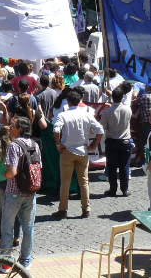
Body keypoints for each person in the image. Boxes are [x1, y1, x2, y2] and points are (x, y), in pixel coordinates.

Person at [51, 89, 103, 219]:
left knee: (65, 182)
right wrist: (93, 146)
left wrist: (58, 145)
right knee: (84, 182)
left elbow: (56, 130)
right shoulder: (86, 114)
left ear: (68, 102)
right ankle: (86, 209)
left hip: (67, 151)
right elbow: (100, 130)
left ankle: (63, 210)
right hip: (83, 151)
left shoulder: (63, 115)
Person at [0, 116, 41, 269]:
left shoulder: (14, 146)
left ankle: (5, 263)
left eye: (13, 125)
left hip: (13, 192)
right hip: (30, 193)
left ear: (20, 129)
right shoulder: (35, 145)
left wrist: (3, 175)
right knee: (28, 229)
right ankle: (26, 261)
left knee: (7, 229)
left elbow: (12, 172)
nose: (10, 127)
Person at [99, 83, 133, 197]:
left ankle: (113, 189)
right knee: (124, 167)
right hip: (125, 140)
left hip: (112, 140)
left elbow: (102, 126)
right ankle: (125, 189)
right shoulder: (128, 109)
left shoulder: (106, 112)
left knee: (112, 167)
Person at [134, 85, 151, 165]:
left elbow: (136, 102)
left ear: (148, 88)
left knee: (144, 141)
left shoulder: (144, 96)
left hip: (145, 121)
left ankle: (144, 160)